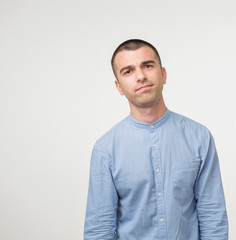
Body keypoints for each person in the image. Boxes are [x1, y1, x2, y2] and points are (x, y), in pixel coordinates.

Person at [84, 39, 228, 240]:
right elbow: (99, 230)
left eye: (148, 66)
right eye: (128, 71)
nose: (141, 76)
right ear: (118, 86)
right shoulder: (106, 149)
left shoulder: (199, 137)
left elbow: (213, 218)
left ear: (163, 74)